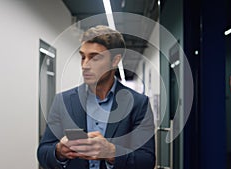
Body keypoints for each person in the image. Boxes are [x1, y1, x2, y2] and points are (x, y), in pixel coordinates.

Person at [37, 25, 155, 169]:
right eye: (82, 57)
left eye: (94, 58)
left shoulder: (138, 103)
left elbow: (147, 160)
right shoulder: (63, 101)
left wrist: (112, 153)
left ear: (115, 60)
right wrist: (59, 151)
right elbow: (43, 152)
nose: (85, 65)